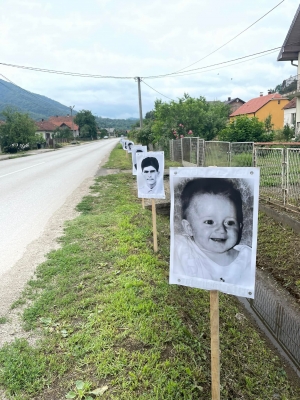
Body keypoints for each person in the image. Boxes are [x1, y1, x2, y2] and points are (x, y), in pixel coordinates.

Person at [174, 178, 252, 286]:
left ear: (239, 227)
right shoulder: (182, 247)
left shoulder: (247, 259)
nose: (221, 229)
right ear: (189, 228)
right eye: (209, 222)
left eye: (230, 222)